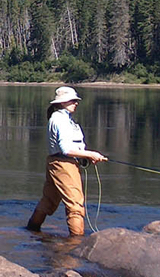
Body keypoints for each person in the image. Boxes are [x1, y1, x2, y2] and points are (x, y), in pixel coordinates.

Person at [26, 86, 107, 235]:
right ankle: (76, 242)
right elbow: (66, 150)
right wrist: (91, 154)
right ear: (62, 102)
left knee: (48, 201)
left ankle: (31, 230)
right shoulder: (60, 120)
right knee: (75, 205)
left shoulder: (64, 119)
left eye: (76, 101)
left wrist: (86, 157)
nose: (76, 103)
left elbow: (71, 149)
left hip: (58, 163)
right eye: (72, 100)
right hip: (63, 165)